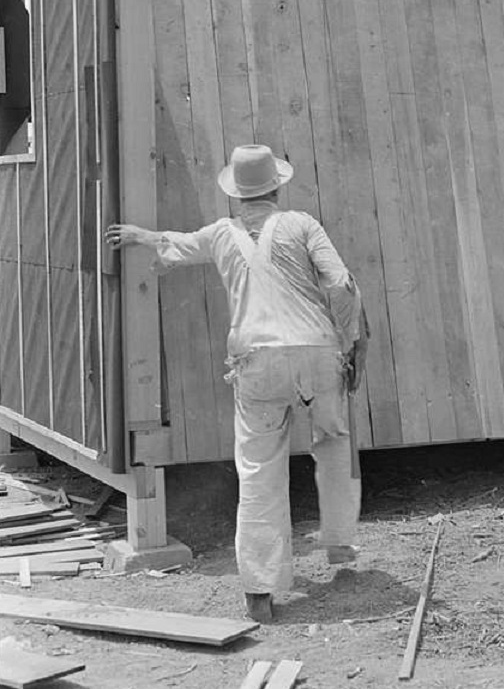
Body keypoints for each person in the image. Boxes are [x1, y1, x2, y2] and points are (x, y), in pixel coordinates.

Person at [106, 144, 368, 624]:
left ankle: (261, 590)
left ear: (236, 193)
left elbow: (178, 244)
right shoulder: (303, 225)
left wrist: (141, 235)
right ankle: (339, 544)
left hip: (256, 360)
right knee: (333, 442)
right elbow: (341, 283)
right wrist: (349, 343)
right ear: (276, 185)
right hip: (317, 351)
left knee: (260, 470)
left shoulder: (222, 235)